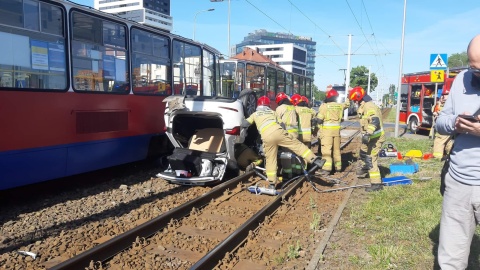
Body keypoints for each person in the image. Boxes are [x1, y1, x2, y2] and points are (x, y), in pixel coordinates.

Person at [435, 34, 480, 269]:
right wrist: (455, 122)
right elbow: (440, 121)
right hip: (458, 182)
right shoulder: (462, 79)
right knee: (450, 259)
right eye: (474, 68)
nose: (477, 75)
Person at [242, 96, 325, 188]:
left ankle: (272, 184)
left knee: (270, 159)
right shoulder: (272, 112)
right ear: (268, 105)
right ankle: (315, 159)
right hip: (279, 131)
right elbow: (282, 125)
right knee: (297, 146)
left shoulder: (255, 114)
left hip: (267, 136)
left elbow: (245, 124)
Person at [348, 86, 385, 192]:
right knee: (363, 153)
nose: (355, 102)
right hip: (370, 138)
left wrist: (368, 134)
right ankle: (365, 168)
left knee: (371, 159)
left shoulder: (369, 107)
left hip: (376, 138)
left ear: (359, 98)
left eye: (355, 100)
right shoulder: (364, 106)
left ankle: (376, 184)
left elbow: (375, 121)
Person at [316, 89, 350, 174]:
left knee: (326, 151)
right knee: (337, 150)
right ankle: (338, 167)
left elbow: (319, 120)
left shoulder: (324, 106)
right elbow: (347, 104)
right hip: (337, 132)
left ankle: (326, 169)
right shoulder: (340, 106)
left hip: (327, 133)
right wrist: (348, 96)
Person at [431, 89, 454, 158]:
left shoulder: (450, 104)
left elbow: (448, 113)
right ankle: (452, 154)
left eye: (446, 95)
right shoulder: (440, 104)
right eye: (443, 95)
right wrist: (438, 104)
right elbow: (434, 110)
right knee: (448, 142)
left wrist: (439, 113)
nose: (443, 97)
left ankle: (437, 157)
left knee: (439, 140)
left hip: (445, 126)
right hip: (445, 127)